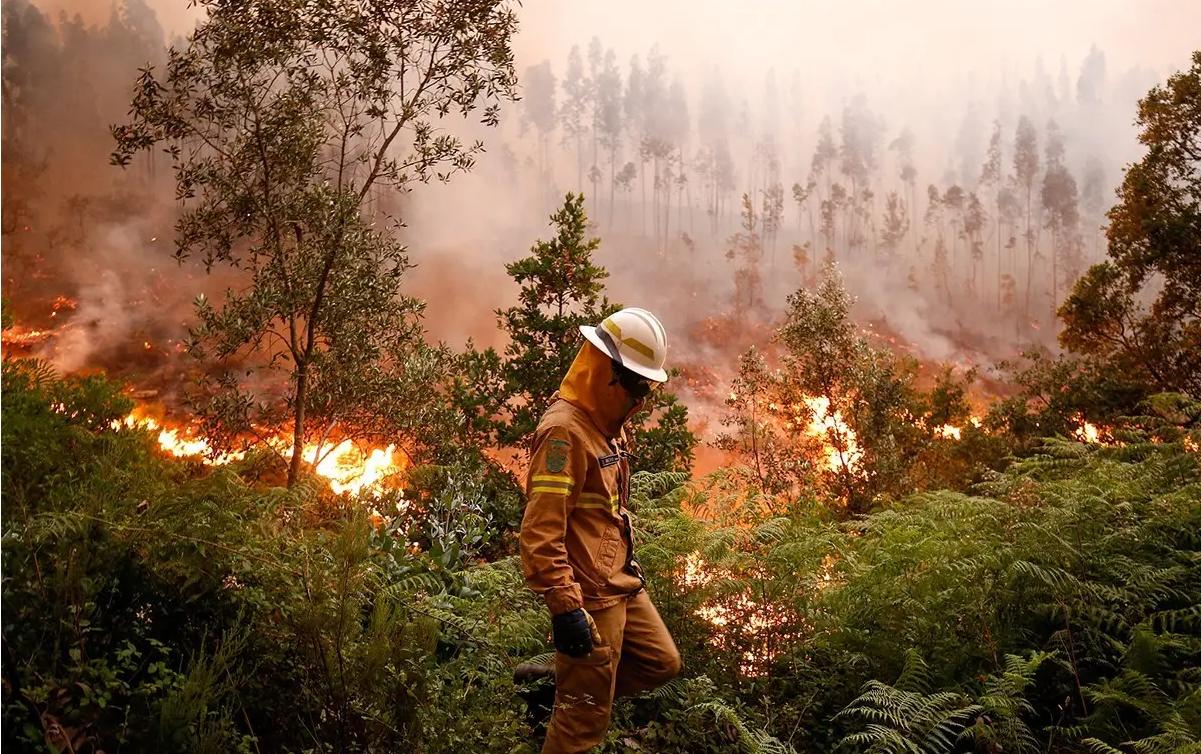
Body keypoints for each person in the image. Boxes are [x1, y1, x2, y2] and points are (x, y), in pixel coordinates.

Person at [519, 307, 683, 754]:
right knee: (582, 725)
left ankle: (564, 688)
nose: (641, 398)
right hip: (590, 594)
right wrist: (565, 607)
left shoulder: (605, 427)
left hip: (620, 581)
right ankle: (574, 697)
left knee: (662, 662)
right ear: (604, 372)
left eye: (645, 385)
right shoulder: (563, 434)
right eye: (634, 383)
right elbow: (540, 533)